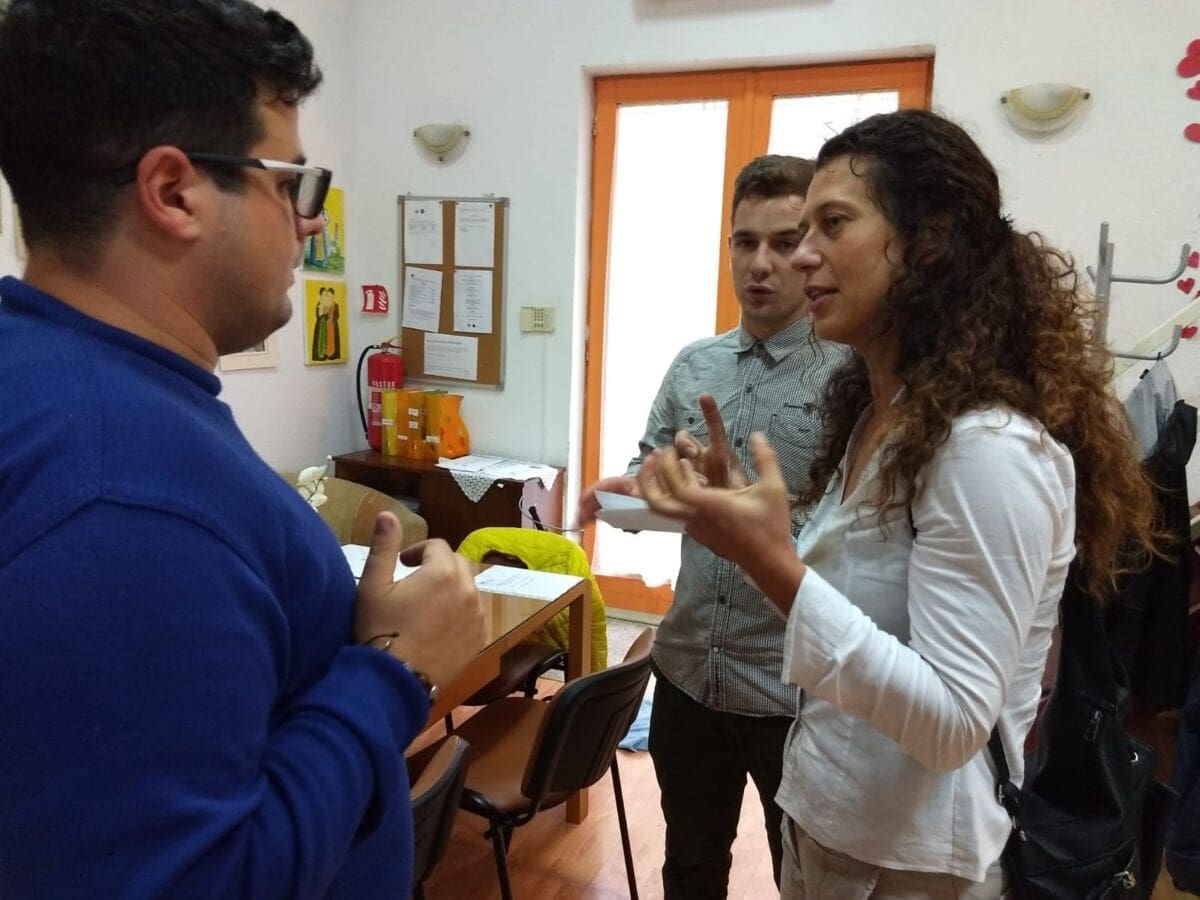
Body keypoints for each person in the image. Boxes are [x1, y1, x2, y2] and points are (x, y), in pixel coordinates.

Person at [0, 2, 484, 897]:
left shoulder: (58, 382)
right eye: (292, 183)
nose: (311, 223)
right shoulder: (119, 496)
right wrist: (398, 670)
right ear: (174, 192)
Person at [634, 109, 1162, 897]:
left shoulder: (988, 448)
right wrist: (750, 525)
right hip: (834, 821)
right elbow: (858, 613)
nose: (800, 256)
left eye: (831, 225)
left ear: (930, 239)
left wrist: (767, 560)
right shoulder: (883, 416)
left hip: (914, 864)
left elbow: (953, 724)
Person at [579, 155, 847, 898]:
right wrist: (633, 494)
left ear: (812, 250)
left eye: (784, 242)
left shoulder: (851, 375)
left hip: (793, 688)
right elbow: (648, 474)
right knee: (691, 864)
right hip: (689, 670)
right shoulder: (694, 365)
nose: (760, 264)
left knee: (803, 876)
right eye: (744, 242)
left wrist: (748, 514)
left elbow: (858, 533)